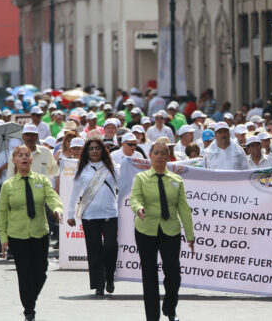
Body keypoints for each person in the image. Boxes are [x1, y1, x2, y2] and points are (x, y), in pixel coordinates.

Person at [0, 145, 63, 321]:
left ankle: (30, 299)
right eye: (20, 155)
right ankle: (29, 309)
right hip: (17, 235)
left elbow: (52, 197)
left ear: (31, 159)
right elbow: (2, 212)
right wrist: (3, 238)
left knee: (41, 272)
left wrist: (57, 209)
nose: (24, 158)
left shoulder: (42, 180)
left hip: (40, 233)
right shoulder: (8, 185)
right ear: (14, 160)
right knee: (24, 273)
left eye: (27, 155)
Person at [130, 141, 194, 321]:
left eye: (162, 153)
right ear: (150, 156)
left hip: (170, 230)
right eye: (156, 153)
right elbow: (135, 198)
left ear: (168, 157)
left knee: (173, 273)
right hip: (145, 230)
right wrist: (138, 208)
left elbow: (184, 209)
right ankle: (152, 317)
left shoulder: (176, 180)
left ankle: (170, 308)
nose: (159, 156)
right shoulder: (141, 178)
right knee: (149, 274)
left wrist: (190, 235)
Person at [67, 138, 119, 296]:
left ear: (103, 150)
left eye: (98, 148)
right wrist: (70, 214)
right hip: (89, 216)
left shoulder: (112, 167)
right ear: (86, 152)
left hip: (110, 214)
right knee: (94, 250)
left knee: (111, 247)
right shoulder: (82, 169)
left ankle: (109, 276)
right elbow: (75, 192)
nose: (95, 151)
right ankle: (98, 283)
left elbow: (122, 187)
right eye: (91, 149)